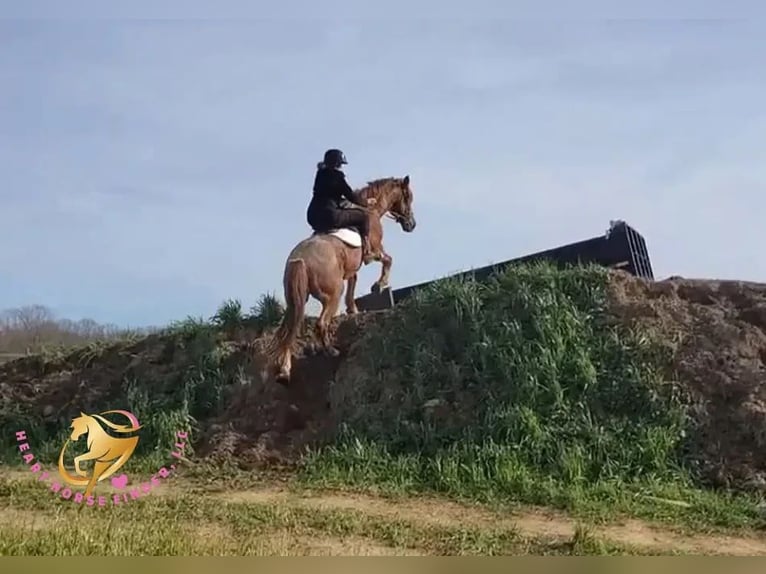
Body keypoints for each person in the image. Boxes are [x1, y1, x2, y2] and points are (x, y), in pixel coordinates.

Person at [307, 148, 375, 263]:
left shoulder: (320, 174)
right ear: (337, 164)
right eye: (340, 164)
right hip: (330, 216)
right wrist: (366, 203)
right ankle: (367, 251)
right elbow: (351, 196)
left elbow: (329, 194)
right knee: (364, 217)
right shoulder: (337, 177)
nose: (341, 167)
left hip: (313, 216)